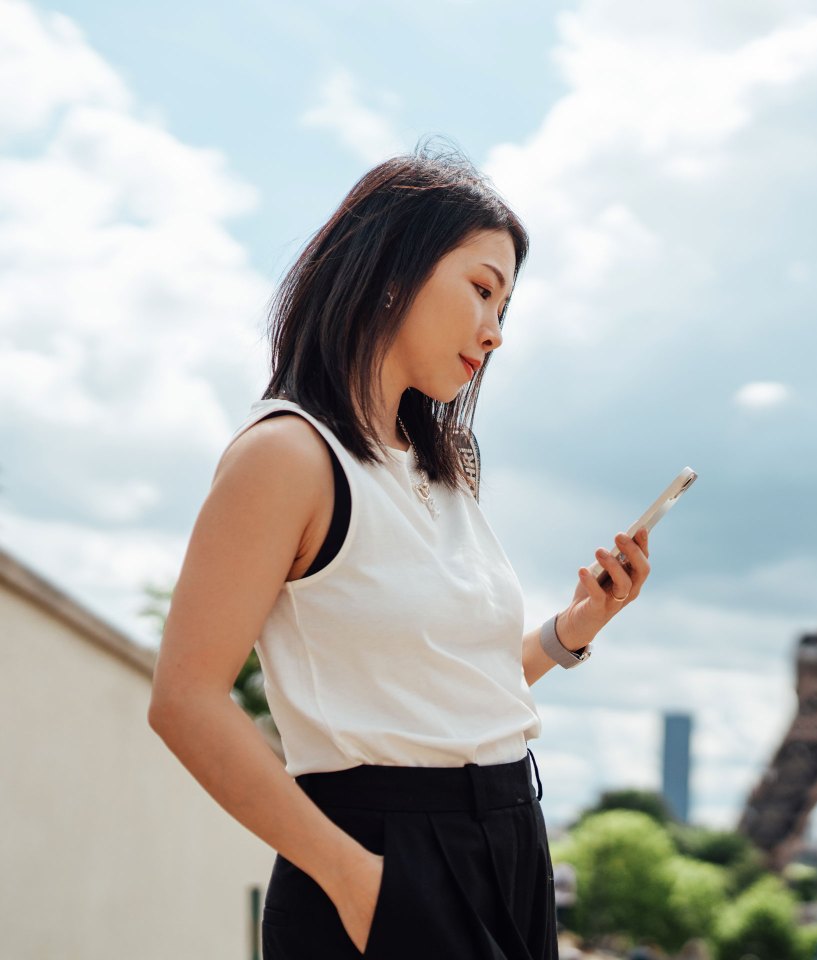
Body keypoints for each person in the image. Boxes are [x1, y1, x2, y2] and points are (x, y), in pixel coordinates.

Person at [147, 139, 653, 959]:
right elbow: (184, 700)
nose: (494, 333)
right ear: (393, 267)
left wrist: (575, 627)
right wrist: (353, 879)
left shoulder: (442, 471)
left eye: (506, 307)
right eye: (482, 290)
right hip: (379, 857)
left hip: (511, 841)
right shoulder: (288, 457)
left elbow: (434, 693)